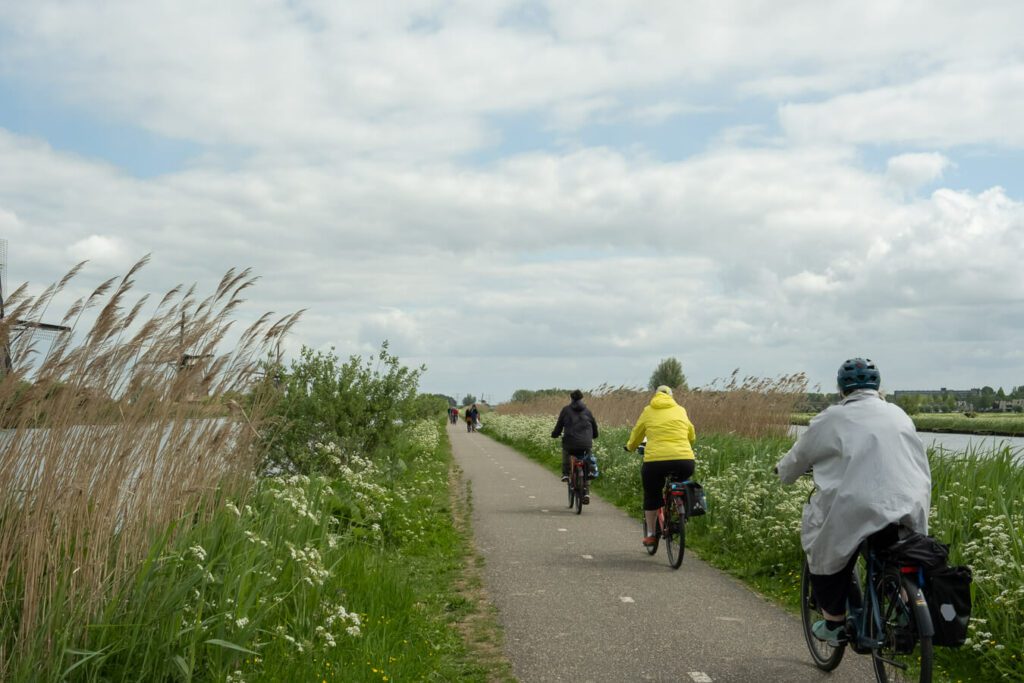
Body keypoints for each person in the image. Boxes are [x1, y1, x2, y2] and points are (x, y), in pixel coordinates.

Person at [775, 358, 931, 645]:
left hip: (859, 506)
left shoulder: (832, 418)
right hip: (908, 501)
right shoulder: (898, 414)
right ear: (878, 386)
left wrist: (783, 472)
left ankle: (834, 621)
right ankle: (907, 611)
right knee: (894, 552)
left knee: (823, 547)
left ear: (841, 388)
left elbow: (800, 455)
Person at [625, 385, 696, 546]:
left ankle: (651, 534)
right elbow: (691, 433)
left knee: (651, 495)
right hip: (684, 460)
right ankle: (682, 514)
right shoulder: (680, 410)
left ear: (655, 395)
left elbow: (637, 433)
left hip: (655, 462)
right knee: (682, 484)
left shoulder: (648, 410)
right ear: (671, 396)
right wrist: (688, 446)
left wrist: (630, 447)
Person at [551, 389, 599, 503]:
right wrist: (594, 436)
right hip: (586, 443)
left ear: (571, 398)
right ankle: (587, 491)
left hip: (570, 443)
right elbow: (594, 427)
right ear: (582, 398)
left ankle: (566, 474)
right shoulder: (587, 411)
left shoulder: (566, 410)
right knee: (587, 461)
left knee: (566, 452)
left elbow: (559, 426)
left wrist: (555, 434)